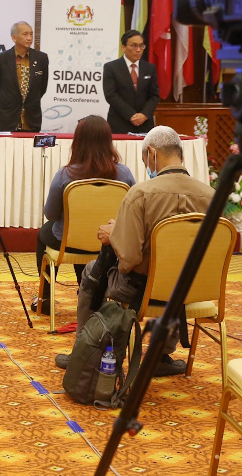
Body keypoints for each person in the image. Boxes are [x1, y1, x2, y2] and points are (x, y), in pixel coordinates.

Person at [54, 126, 212, 376]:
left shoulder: (141, 195)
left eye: (145, 161)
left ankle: (85, 353)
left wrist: (115, 234)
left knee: (91, 273)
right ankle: (161, 354)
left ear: (151, 153)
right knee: (174, 270)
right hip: (191, 290)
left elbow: (129, 260)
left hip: (142, 289)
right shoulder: (212, 196)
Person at [33, 115, 135, 313]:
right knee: (89, 243)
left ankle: (44, 298)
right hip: (108, 241)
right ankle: (88, 293)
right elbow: (133, 213)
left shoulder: (65, 175)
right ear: (108, 141)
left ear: (77, 142)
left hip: (70, 242)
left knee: (44, 233)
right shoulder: (125, 174)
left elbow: (51, 214)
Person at [0, 21, 49, 132]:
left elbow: (42, 88)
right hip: (6, 119)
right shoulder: (0, 59)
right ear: (14, 37)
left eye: (31, 34)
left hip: (31, 120)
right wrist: (6, 104)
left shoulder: (41, 58)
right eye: (25, 34)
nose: (29, 38)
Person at [103, 30, 160, 135]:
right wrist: (132, 116)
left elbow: (154, 96)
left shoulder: (149, 68)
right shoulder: (111, 67)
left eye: (141, 46)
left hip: (145, 123)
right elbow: (110, 95)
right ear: (123, 47)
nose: (138, 50)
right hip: (119, 122)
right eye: (134, 46)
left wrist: (144, 115)